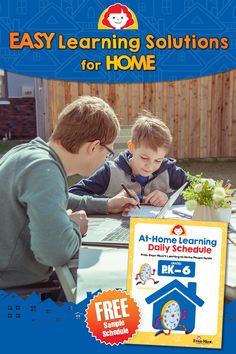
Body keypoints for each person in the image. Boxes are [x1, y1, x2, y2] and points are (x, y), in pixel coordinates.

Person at [0, 96, 139, 291]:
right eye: (108, 153)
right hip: (18, 293)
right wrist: (75, 226)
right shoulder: (44, 169)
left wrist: (106, 204)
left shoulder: (29, 154)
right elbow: (54, 252)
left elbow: (59, 198)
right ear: (93, 147)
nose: (107, 159)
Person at [69, 112, 188, 206]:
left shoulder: (169, 170)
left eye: (158, 160)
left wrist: (169, 197)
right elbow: (72, 194)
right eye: (144, 157)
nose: (150, 166)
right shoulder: (110, 172)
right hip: (117, 231)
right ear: (131, 147)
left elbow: (198, 190)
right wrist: (109, 202)